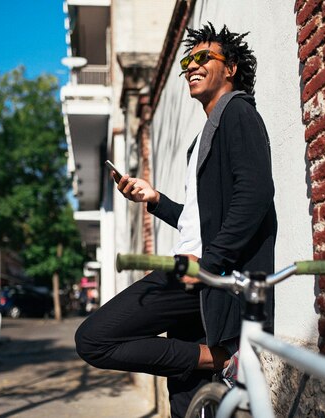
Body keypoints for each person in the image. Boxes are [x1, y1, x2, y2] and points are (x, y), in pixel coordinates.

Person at [75, 22, 277, 417]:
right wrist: (155, 200)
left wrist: (211, 264)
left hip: (206, 276)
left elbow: (255, 196)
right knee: (187, 405)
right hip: (199, 275)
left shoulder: (237, 112)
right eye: (188, 60)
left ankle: (218, 357)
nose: (192, 66)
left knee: (94, 338)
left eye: (204, 57)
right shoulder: (204, 136)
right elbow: (204, 222)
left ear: (230, 67)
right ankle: (212, 358)